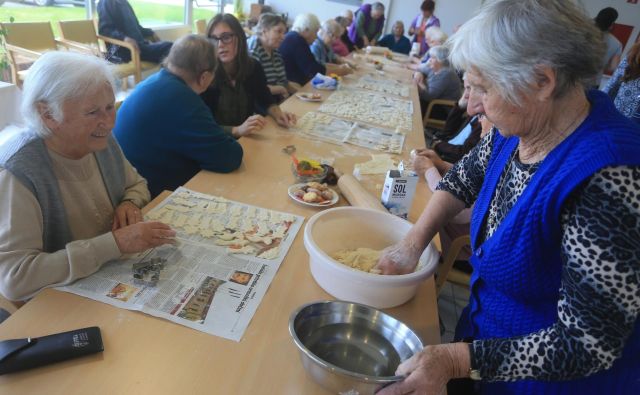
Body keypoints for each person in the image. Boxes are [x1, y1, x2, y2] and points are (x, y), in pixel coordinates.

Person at [376, 1, 640, 394]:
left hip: (544, 382)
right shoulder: (517, 128)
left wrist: (454, 359)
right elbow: (461, 182)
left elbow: (588, 344)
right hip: (480, 349)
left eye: (482, 86)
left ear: (542, 82)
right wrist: (411, 245)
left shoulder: (609, 176)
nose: (470, 104)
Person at [0, 51, 176, 301]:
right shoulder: (17, 172)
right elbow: (15, 278)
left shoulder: (100, 140)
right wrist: (115, 244)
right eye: (92, 112)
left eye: (109, 107)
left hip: (108, 278)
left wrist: (129, 202)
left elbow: (137, 184)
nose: (108, 122)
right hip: (61, 302)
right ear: (48, 114)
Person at [114, 35, 243, 198]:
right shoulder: (183, 99)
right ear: (204, 77)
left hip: (124, 183)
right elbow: (228, 158)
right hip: (149, 195)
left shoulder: (155, 81)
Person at [202, 14, 296, 136]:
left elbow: (265, 99)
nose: (220, 45)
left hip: (246, 139)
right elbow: (200, 126)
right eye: (214, 39)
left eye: (226, 37)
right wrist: (237, 130)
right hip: (216, 143)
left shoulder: (253, 67)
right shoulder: (204, 74)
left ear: (240, 37)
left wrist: (278, 113)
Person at [98, 0, 172, 63]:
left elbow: (137, 27)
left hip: (141, 46)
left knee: (171, 51)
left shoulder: (124, 3)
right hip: (126, 50)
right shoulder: (105, 2)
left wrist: (151, 32)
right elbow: (105, 30)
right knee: (170, 47)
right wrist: (124, 38)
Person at [248, 13, 300, 102]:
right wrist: (280, 89)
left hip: (278, 102)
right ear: (264, 31)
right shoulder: (254, 52)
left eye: (284, 33)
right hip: (261, 106)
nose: (283, 37)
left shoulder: (276, 53)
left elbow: (284, 82)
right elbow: (253, 87)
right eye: (279, 31)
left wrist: (302, 93)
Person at [279, 13, 326, 85]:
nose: (316, 37)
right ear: (306, 30)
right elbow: (313, 70)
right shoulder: (297, 40)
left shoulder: (293, 36)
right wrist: (338, 70)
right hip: (292, 85)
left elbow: (311, 63)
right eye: (315, 32)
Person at [413, 45, 461, 115]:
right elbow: (420, 68)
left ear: (440, 60)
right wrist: (419, 73)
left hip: (443, 108)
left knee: (414, 103)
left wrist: (419, 84)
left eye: (433, 58)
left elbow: (428, 97)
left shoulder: (446, 73)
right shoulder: (436, 68)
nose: (429, 60)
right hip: (434, 104)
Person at [604, 42, 640, 124]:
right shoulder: (632, 56)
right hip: (617, 114)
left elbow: (610, 84)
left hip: (619, 113)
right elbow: (612, 83)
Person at [594, 7, 622, 82]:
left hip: (571, 79)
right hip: (593, 82)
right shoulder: (617, 44)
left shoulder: (581, 33)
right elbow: (613, 67)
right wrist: (602, 65)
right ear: (612, 24)